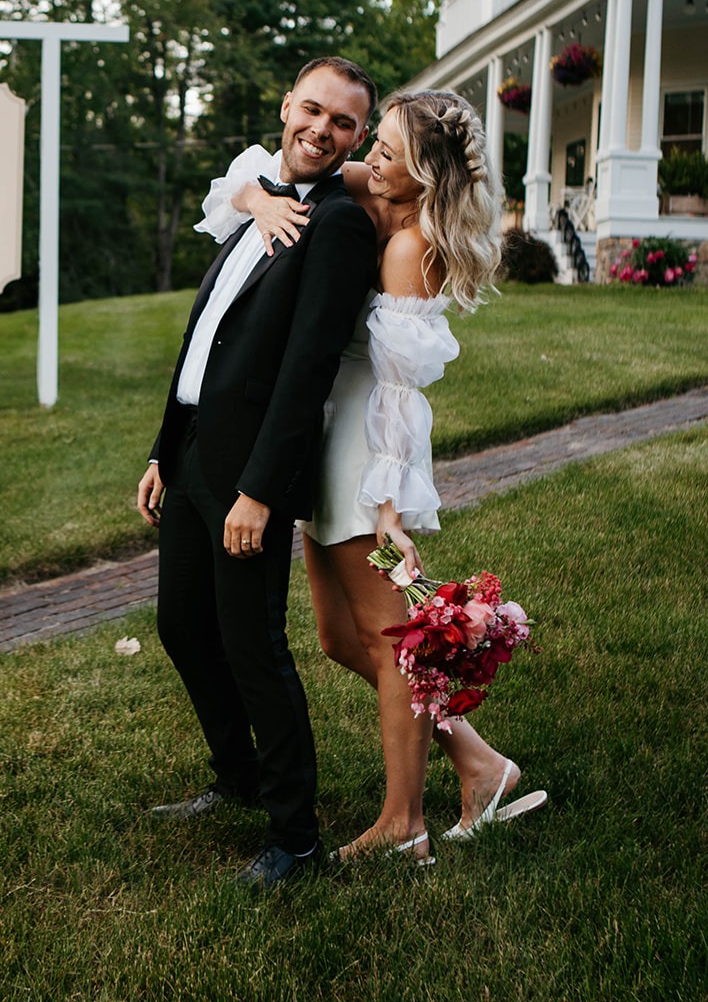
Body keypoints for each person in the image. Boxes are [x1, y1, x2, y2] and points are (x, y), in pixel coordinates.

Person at [197, 88, 547, 863]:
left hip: (370, 452)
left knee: (395, 641)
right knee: (337, 638)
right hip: (329, 440)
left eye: (387, 151)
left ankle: (404, 821)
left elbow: (398, 391)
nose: (369, 160)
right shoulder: (374, 187)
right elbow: (253, 170)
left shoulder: (407, 244)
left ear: (423, 173)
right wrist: (258, 200)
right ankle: (482, 765)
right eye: (376, 144)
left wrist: (389, 509)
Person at [137, 57, 379, 889]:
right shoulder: (260, 199)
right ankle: (234, 776)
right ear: (287, 106)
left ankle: (295, 835)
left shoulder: (340, 224)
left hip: (252, 475)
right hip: (196, 452)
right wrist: (164, 452)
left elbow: (307, 368)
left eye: (343, 123)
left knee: (253, 649)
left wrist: (262, 492)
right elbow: (205, 335)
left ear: (359, 138)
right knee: (182, 627)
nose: (322, 129)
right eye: (312, 110)